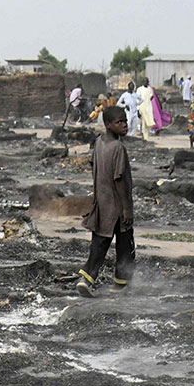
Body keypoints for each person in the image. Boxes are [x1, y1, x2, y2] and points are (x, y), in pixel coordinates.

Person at [75, 106, 134, 297]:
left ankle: (87, 279)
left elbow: (95, 169)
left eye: (125, 121)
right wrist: (126, 209)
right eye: (119, 122)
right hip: (117, 207)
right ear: (108, 125)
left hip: (102, 203)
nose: (124, 125)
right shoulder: (118, 148)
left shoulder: (98, 142)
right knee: (125, 246)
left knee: (99, 245)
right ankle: (120, 284)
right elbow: (118, 180)